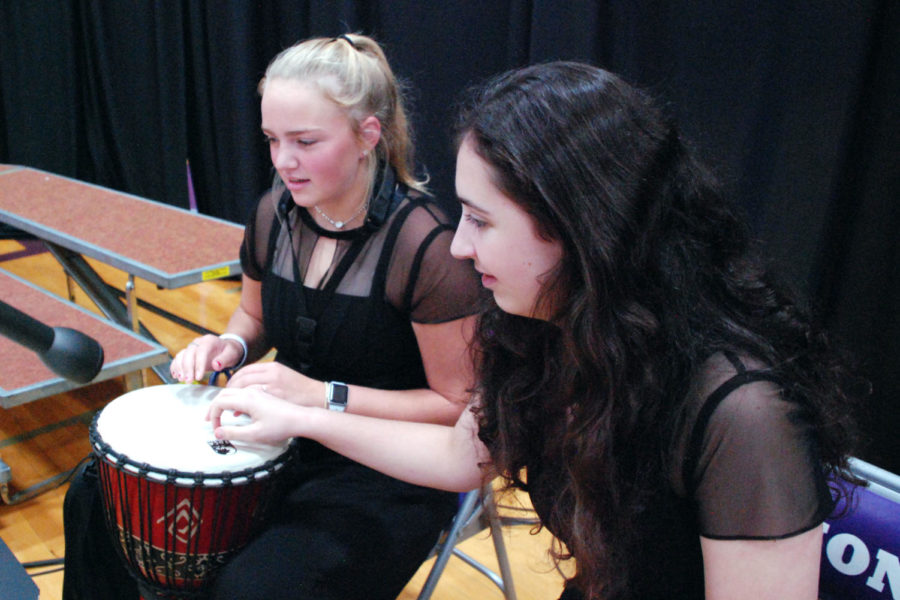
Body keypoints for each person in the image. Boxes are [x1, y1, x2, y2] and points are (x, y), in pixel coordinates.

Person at [206, 61, 863, 600]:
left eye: (480, 220)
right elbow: (464, 456)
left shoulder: (741, 412)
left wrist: (318, 404)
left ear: (578, 228)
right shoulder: (538, 324)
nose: (459, 247)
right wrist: (303, 417)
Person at [62, 34, 482, 600]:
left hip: (390, 471)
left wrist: (319, 395)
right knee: (94, 493)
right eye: (272, 140)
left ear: (368, 136)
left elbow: (454, 408)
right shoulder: (274, 213)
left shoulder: (427, 247)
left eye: (306, 141)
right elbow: (251, 318)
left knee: (252, 588)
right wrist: (229, 346)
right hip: (278, 435)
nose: (284, 161)